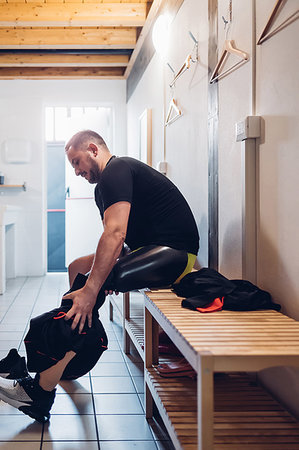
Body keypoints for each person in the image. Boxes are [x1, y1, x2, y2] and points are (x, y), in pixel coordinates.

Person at [0, 129, 199, 423]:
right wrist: (92, 280)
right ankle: (66, 358)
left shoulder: (117, 169)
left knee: (89, 288)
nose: (77, 171)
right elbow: (119, 240)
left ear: (93, 149)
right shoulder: (101, 188)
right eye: (73, 167)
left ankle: (40, 392)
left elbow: (115, 234)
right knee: (77, 270)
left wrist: (93, 289)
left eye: (77, 162)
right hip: (146, 251)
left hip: (176, 254)